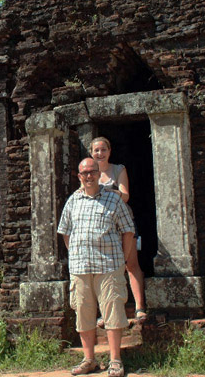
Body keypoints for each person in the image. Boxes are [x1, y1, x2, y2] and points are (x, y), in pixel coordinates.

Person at [58, 158, 135, 377]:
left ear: (98, 174)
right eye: (84, 173)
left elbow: (128, 231)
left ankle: (115, 360)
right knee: (83, 313)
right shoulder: (73, 201)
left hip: (109, 265)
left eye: (92, 172)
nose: (89, 176)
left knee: (113, 313)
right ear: (79, 176)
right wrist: (76, 253)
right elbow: (66, 232)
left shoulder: (113, 199)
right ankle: (89, 359)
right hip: (81, 268)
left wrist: (122, 259)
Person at [89, 136, 147, 325]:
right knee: (104, 269)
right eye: (96, 150)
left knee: (131, 265)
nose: (100, 153)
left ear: (109, 151)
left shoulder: (118, 169)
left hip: (123, 224)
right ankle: (107, 313)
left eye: (103, 149)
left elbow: (125, 195)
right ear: (91, 153)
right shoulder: (89, 173)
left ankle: (139, 307)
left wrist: (106, 192)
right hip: (101, 227)